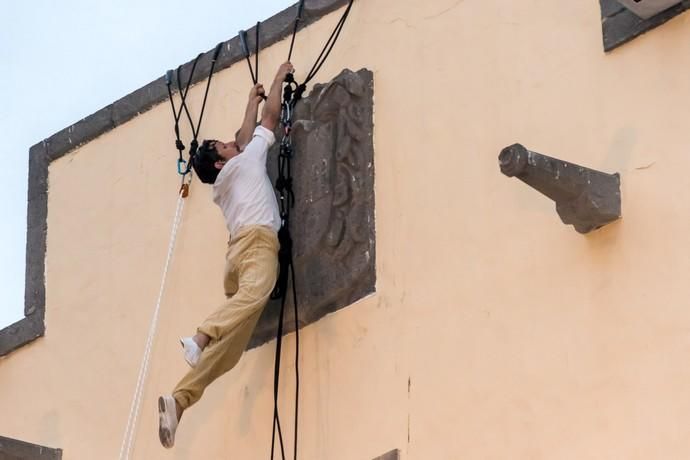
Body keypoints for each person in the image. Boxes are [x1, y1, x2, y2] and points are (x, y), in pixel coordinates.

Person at [158, 61, 295, 449]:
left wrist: (249, 102)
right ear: (223, 160)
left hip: (236, 257)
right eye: (225, 146)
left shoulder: (227, 178)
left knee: (231, 352)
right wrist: (278, 77)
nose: (234, 142)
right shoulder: (245, 160)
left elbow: (244, 133)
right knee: (253, 296)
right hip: (255, 247)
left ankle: (179, 401)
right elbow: (267, 120)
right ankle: (201, 336)